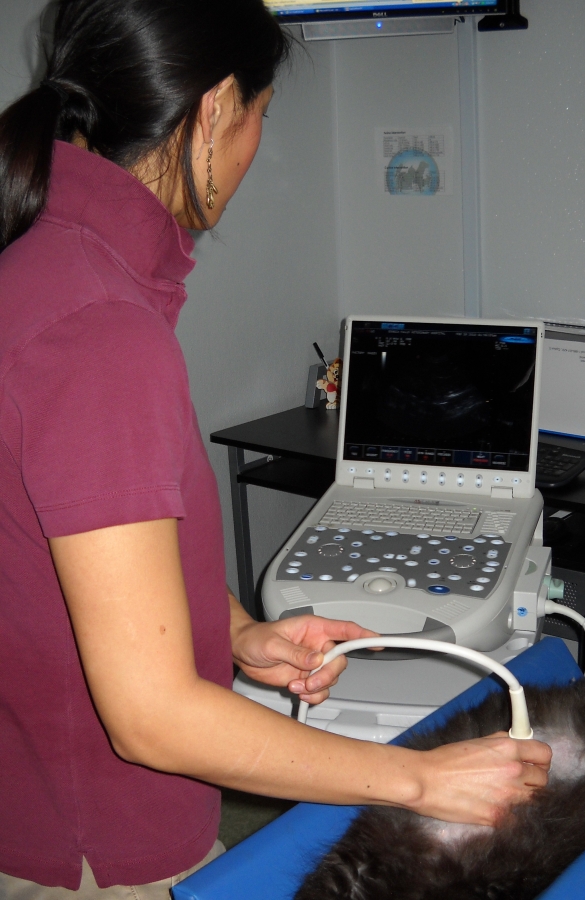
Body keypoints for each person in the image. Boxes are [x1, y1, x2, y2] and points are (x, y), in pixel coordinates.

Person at [0, 0, 552, 895]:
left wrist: (239, 633)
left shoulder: (43, 270)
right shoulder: (100, 331)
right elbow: (152, 719)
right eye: (261, 116)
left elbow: (82, 550)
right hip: (96, 846)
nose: (256, 148)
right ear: (216, 110)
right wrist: (423, 779)